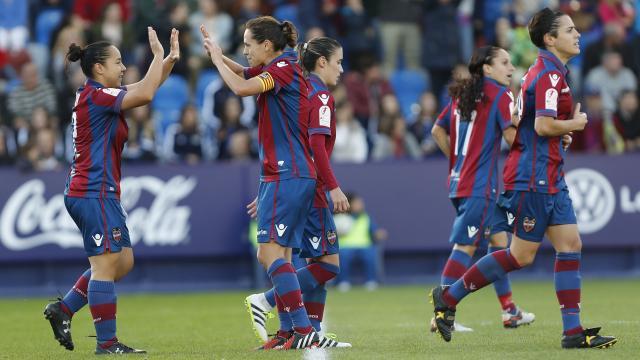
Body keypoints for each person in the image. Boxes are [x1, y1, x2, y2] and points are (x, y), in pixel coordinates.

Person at [430, 8, 618, 349]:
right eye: (570, 30)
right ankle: (449, 298)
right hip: (533, 178)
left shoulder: (552, 73)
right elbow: (543, 125)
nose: (578, 35)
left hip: (549, 174)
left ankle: (572, 332)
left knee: (570, 244)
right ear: (550, 39)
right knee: (520, 255)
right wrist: (570, 126)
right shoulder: (547, 76)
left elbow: (536, 127)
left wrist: (560, 134)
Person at [43, 27, 180, 354]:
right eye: (117, 62)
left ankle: (65, 309)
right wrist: (157, 55)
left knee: (123, 262)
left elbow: (147, 86)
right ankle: (107, 343)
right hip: (91, 190)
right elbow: (145, 94)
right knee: (106, 266)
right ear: (98, 68)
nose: (123, 67)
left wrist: (171, 59)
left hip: (98, 191)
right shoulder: (98, 95)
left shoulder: (97, 94)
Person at [200, 17, 320, 350]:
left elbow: (239, 88)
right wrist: (218, 53)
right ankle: (287, 332)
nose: (246, 50)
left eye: (248, 44)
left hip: (287, 172)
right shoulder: (282, 66)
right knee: (278, 252)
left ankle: (302, 327)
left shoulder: (282, 69)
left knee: (270, 252)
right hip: (284, 174)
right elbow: (242, 73)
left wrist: (214, 61)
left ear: (267, 45)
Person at [243, 36, 352, 349]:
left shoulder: (303, 87)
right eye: (338, 62)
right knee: (327, 264)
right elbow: (315, 145)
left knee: (316, 260)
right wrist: (332, 187)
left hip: (292, 182)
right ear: (322, 62)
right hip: (310, 188)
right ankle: (268, 302)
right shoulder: (319, 96)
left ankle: (301, 332)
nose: (341, 69)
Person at [430, 46, 535, 333]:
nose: (511, 68)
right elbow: (512, 137)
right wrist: (542, 142)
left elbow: (437, 131)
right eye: (504, 63)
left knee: (499, 243)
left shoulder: (461, 95)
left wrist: (456, 161)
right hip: (479, 185)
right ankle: (441, 311)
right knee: (465, 245)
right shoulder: (501, 95)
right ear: (487, 68)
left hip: (458, 181)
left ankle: (509, 310)